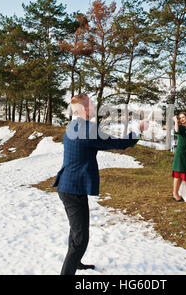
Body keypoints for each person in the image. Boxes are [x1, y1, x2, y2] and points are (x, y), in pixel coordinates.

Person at [52, 94, 148, 275]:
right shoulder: (87, 129)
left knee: (76, 232)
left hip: (69, 186)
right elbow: (120, 144)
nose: (96, 105)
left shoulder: (74, 126)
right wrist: (138, 130)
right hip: (73, 189)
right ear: (85, 109)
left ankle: (77, 262)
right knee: (80, 239)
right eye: (92, 103)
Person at [171, 112, 186, 202]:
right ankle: (175, 193)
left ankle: (177, 192)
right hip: (181, 152)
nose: (181, 119)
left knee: (183, 173)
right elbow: (176, 131)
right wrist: (175, 122)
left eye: (183, 117)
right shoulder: (180, 127)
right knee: (178, 173)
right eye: (180, 118)